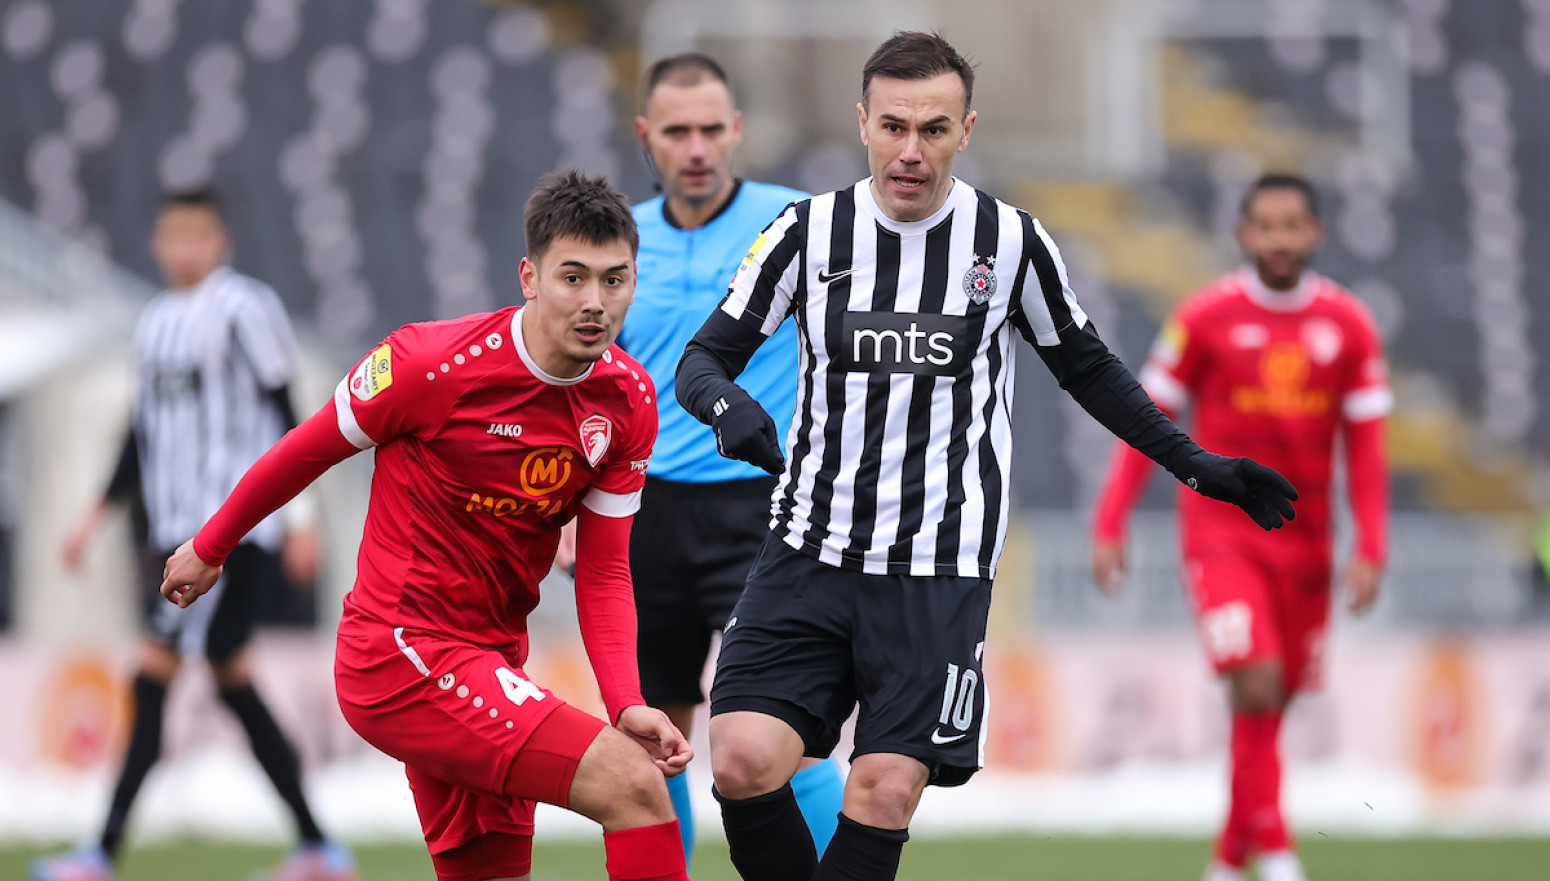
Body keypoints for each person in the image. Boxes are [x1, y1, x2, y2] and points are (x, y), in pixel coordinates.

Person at [673, 31, 1299, 881]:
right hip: (808, 550)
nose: (911, 150)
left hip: (937, 568)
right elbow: (703, 360)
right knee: (743, 757)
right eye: (894, 126)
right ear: (863, 123)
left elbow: (1088, 368)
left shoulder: (1008, 243)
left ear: (965, 131)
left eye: (934, 129)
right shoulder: (808, 232)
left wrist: (1198, 465)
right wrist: (727, 406)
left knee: (884, 788)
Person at [158, 171, 695, 881]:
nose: (595, 301)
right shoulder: (431, 364)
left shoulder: (627, 401)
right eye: (573, 277)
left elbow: (602, 568)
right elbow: (305, 448)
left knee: (491, 873)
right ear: (529, 278)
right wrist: (211, 545)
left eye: (614, 279)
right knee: (632, 785)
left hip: (492, 661)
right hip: (400, 653)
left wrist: (626, 701)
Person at [33, 188, 351, 881]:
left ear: (219, 242)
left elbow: (287, 414)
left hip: (229, 534)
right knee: (231, 678)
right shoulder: (154, 323)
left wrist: (301, 520)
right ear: (157, 242)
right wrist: (94, 514)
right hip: (173, 533)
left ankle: (101, 852)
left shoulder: (245, 308)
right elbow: (141, 433)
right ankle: (319, 846)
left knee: (153, 676)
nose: (182, 249)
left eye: (195, 236)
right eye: (172, 236)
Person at [1090, 173, 1390, 881]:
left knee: (1270, 703)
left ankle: (1228, 860)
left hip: (1308, 542)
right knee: (1256, 682)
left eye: (1293, 224)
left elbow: (1367, 446)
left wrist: (1371, 544)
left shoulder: (1349, 324)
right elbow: (1150, 417)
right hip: (1222, 535)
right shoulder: (1205, 318)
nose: (1280, 238)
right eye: (1267, 225)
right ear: (1243, 234)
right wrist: (1111, 518)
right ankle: (1278, 854)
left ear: (1315, 232)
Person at [619, 51, 845, 861]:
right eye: (677, 131)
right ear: (646, 136)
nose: (696, 148)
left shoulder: (796, 224)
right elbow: (583, 381)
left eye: (711, 129)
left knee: (785, 731)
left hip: (763, 507)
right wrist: (573, 510)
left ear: (737, 130)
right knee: (654, 736)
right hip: (643, 513)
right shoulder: (618, 240)